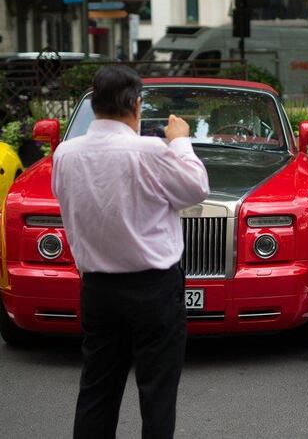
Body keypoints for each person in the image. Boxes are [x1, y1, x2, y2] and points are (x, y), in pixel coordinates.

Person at [52, 65, 210, 439]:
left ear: (94, 105)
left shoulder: (66, 154)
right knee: (157, 393)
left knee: (97, 389)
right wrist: (180, 141)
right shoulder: (150, 150)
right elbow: (195, 188)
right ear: (135, 104)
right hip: (153, 288)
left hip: (98, 288)